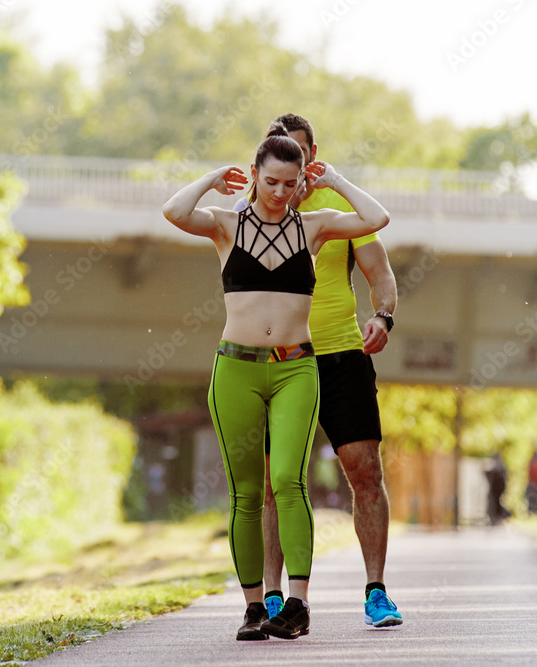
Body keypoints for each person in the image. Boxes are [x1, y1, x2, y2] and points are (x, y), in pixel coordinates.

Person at [162, 124, 389, 641]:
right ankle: (252, 607)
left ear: (301, 181)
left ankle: (298, 603)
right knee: (246, 493)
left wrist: (336, 180)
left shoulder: (315, 227)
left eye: (290, 183)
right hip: (236, 368)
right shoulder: (226, 225)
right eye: (271, 182)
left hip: (295, 368)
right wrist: (212, 178)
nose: (280, 193)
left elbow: (377, 218)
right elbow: (174, 211)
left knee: (288, 480)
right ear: (254, 175)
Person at [241, 114, 403, 629]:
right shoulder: (254, 209)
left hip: (340, 357)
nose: (291, 166)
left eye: (299, 152)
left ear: (312, 155)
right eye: (279, 153)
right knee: (276, 483)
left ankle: (376, 592)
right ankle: (272, 598)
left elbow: (381, 275)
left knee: (365, 472)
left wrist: (382, 316)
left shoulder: (337, 212)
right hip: (281, 359)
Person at [485, 453, 510, 525]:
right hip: (494, 490)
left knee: (497, 502)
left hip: (498, 490)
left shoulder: (499, 468)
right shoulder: (495, 468)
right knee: (494, 503)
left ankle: (497, 516)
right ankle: (495, 516)